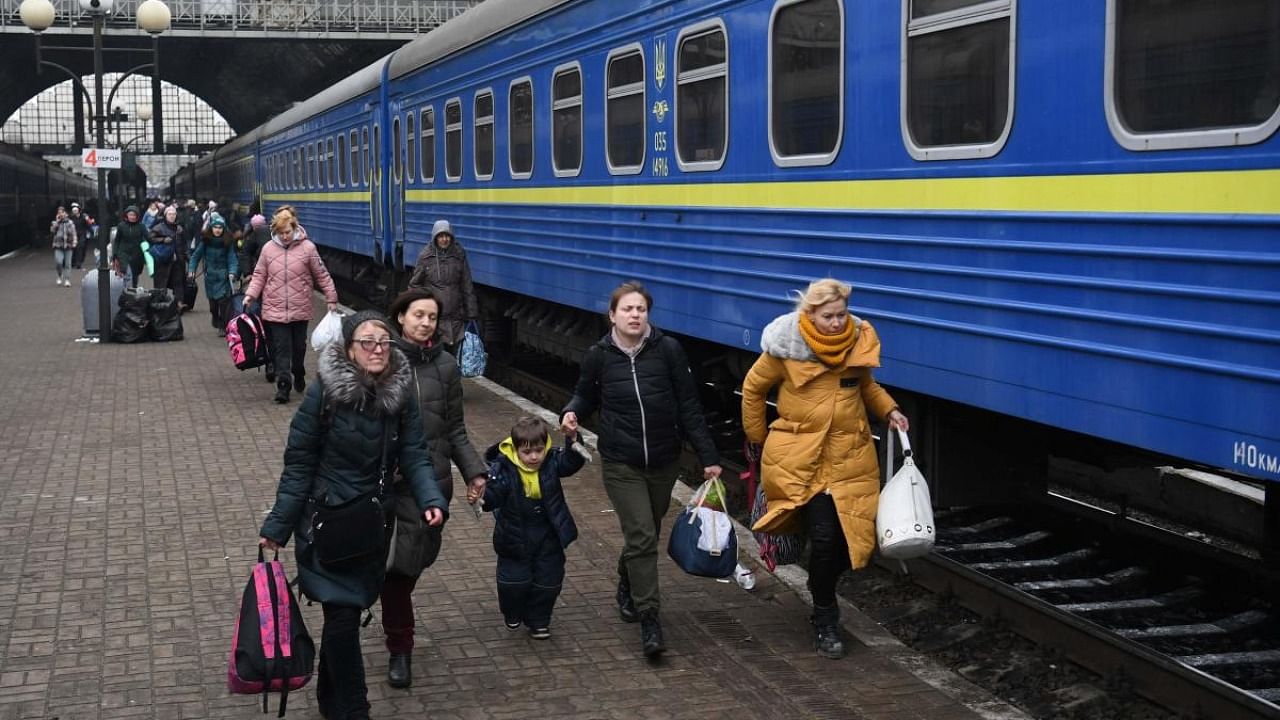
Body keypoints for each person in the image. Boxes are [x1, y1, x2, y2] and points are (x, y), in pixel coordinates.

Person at [259, 310, 448, 720]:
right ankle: (354, 708)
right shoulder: (323, 393)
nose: (378, 349)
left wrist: (431, 498)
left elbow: (415, 455)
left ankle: (330, 700)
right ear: (348, 349)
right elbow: (299, 464)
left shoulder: (401, 397)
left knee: (343, 618)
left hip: (371, 526)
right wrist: (278, 526)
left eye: (384, 342)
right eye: (367, 342)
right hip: (325, 525)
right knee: (342, 617)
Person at [740, 278, 910, 660]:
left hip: (850, 459)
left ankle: (823, 599)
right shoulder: (785, 349)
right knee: (826, 538)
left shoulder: (856, 342)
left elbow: (867, 386)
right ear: (809, 315)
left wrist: (890, 410)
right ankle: (825, 617)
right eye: (828, 316)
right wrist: (757, 437)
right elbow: (753, 389)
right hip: (805, 460)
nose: (836, 323)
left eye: (842, 315)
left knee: (849, 543)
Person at [560, 281, 721, 658]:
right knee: (643, 537)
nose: (635, 315)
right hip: (621, 462)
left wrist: (709, 456)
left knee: (642, 536)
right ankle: (650, 619)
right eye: (628, 309)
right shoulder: (599, 355)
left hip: (664, 461)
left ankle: (626, 579)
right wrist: (572, 411)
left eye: (641, 309)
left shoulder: (667, 350)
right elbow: (585, 394)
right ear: (612, 315)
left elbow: (689, 406)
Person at [378, 288, 486, 688]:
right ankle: (399, 648)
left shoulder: (446, 366)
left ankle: (393, 625)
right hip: (390, 483)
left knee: (409, 566)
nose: (426, 323)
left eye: (432, 317)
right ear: (401, 316)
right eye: (418, 315)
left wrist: (474, 471)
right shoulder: (382, 361)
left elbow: (455, 428)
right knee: (396, 573)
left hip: (432, 485)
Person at [480, 416, 585, 641]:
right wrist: (481, 496)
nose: (534, 457)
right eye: (527, 453)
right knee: (513, 582)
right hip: (514, 535)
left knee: (549, 580)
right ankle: (512, 610)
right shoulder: (504, 468)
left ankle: (539, 620)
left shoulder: (552, 461)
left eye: (539, 450)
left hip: (548, 533)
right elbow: (492, 497)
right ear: (515, 450)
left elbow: (571, 463)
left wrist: (572, 439)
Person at [244, 207, 339, 403]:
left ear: (294, 228)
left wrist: (331, 298)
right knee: (281, 348)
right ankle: (283, 385)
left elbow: (321, 274)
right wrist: (250, 295)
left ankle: (299, 370)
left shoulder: (308, 248)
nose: (285, 236)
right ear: (275, 231)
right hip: (274, 307)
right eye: (281, 233)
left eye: (287, 232)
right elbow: (260, 275)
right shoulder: (268, 249)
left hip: (300, 307)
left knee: (298, 347)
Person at [407, 220, 478, 356]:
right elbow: (414, 285)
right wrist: (423, 308)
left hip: (456, 317)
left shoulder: (459, 254)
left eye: (447, 236)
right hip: (436, 319)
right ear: (435, 237)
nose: (444, 239)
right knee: (438, 357)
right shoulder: (426, 257)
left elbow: (466, 285)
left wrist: (472, 313)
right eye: (441, 236)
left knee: (455, 359)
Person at [187, 213, 239, 335]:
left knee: (223, 303)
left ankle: (223, 326)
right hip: (210, 277)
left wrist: (232, 272)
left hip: (223, 276)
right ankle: (215, 317)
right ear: (211, 228)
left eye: (220, 228)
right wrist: (191, 270)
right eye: (215, 227)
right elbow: (195, 257)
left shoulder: (228, 243)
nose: (217, 230)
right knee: (213, 306)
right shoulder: (206, 241)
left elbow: (232, 259)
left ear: (223, 229)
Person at [148, 205, 186, 298]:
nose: (172, 216)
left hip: (177, 260)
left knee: (178, 283)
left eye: (174, 214)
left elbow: (184, 245)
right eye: (170, 214)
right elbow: (150, 238)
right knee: (161, 283)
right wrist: (163, 240)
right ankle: (160, 304)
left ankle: (179, 304)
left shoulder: (180, 229)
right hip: (162, 260)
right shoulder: (158, 227)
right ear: (165, 215)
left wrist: (187, 258)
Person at [112, 205, 148, 288]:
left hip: (137, 255)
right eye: (130, 215)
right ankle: (128, 294)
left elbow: (148, 237)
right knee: (127, 275)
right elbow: (117, 240)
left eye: (134, 215)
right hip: (123, 253)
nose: (132, 217)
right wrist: (115, 254)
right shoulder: (121, 226)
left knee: (135, 276)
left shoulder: (141, 226)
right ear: (126, 215)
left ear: (137, 216)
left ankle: (133, 290)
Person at [49, 206, 77, 287]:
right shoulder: (55, 223)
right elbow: (52, 231)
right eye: (59, 213)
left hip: (68, 245)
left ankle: (67, 279)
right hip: (58, 245)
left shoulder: (70, 223)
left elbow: (74, 233)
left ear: (65, 213)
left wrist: (74, 242)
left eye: (62, 212)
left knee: (68, 264)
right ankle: (59, 275)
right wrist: (57, 222)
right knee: (59, 262)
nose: (60, 214)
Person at [69, 202, 93, 269]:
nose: (75, 212)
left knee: (80, 247)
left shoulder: (83, 217)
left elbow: (88, 225)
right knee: (74, 248)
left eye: (76, 210)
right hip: (73, 235)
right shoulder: (71, 218)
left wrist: (92, 232)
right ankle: (73, 262)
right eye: (73, 211)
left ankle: (78, 263)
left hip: (82, 234)